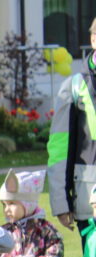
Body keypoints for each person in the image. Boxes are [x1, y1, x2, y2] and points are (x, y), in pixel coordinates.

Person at [48, 17, 96, 243]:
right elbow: (59, 147)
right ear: (93, 40)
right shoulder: (74, 86)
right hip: (90, 199)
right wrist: (60, 201)